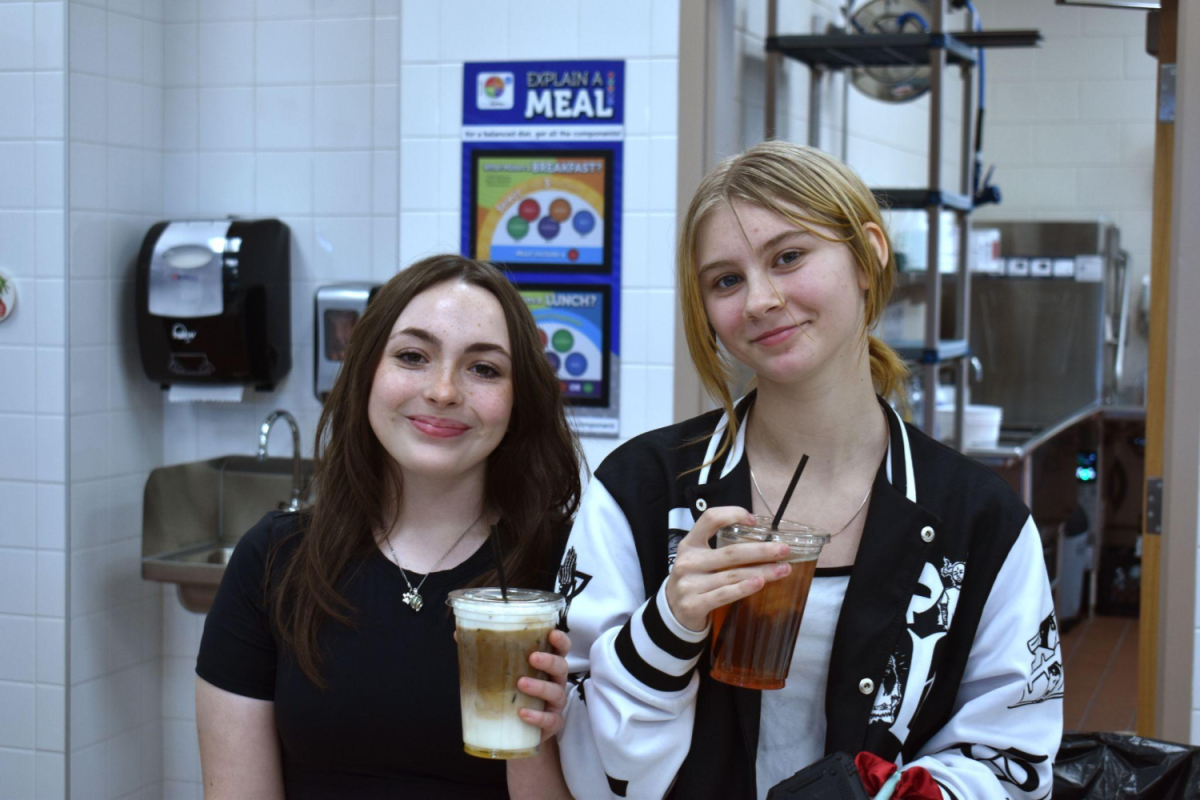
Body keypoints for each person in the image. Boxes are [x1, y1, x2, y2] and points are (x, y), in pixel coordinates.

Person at [555, 141, 1063, 799]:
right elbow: (586, 768)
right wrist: (668, 626)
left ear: (867, 254)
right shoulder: (639, 493)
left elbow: (1015, 762)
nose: (761, 300)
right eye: (725, 281)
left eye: (789, 257)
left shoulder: (979, 519)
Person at [195, 255, 584, 799]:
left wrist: (534, 737)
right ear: (365, 374)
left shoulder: (570, 567)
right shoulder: (273, 559)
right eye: (412, 356)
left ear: (520, 401)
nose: (444, 390)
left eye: (484, 368)